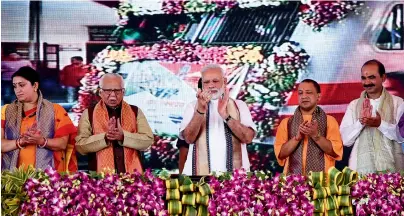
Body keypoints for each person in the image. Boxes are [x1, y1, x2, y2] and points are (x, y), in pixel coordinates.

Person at [179, 64, 256, 175]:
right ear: (202, 84)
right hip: (200, 178)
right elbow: (189, 139)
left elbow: (248, 138)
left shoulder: (240, 105)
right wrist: (200, 111)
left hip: (236, 180)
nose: (211, 85)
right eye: (206, 82)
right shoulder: (192, 107)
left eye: (215, 81)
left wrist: (225, 115)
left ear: (224, 81)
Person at [1, 67, 77, 172]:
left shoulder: (55, 110)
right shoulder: (6, 111)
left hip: (48, 179)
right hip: (12, 178)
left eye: (22, 85)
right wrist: (21, 141)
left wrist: (41, 141)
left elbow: (62, 144)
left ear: (35, 86)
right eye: (15, 86)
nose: (18, 90)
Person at [75, 73, 153, 174]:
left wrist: (123, 136)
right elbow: (81, 146)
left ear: (123, 91)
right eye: (108, 91)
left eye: (117, 91)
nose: (112, 96)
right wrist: (105, 137)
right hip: (101, 179)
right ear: (100, 92)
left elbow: (148, 140)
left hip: (132, 177)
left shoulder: (135, 111)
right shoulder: (89, 113)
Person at [340, 60, 404, 174]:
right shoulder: (354, 105)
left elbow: (401, 136)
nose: (367, 82)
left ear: (383, 78)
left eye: (371, 77)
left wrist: (380, 125)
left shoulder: (398, 103)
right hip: (360, 171)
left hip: (393, 171)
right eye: (364, 78)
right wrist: (361, 122)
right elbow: (345, 140)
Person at [274, 79, 343, 175]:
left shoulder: (330, 121)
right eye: (300, 93)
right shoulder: (286, 123)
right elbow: (280, 154)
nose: (304, 96)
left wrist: (316, 136)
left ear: (318, 96)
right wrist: (297, 138)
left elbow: (335, 152)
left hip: (323, 183)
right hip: (293, 184)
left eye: (309, 93)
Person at [177, 78, 203, 174]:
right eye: (207, 84)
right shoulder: (192, 108)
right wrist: (183, 177)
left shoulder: (231, 108)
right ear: (200, 91)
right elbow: (184, 146)